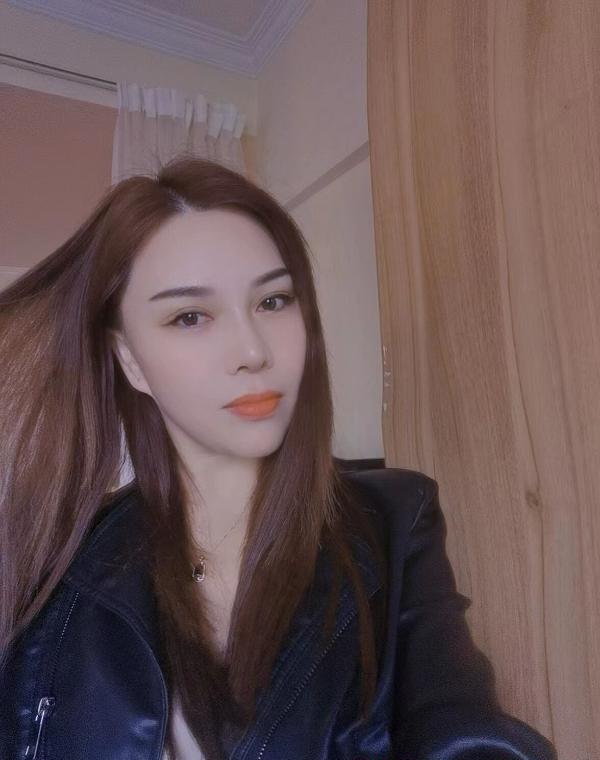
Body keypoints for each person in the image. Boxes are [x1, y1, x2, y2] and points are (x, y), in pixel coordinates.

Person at [0, 156, 557, 760]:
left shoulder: (396, 521)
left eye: (272, 301)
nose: (252, 350)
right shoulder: (62, 563)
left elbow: (460, 728)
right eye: (190, 316)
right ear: (130, 360)